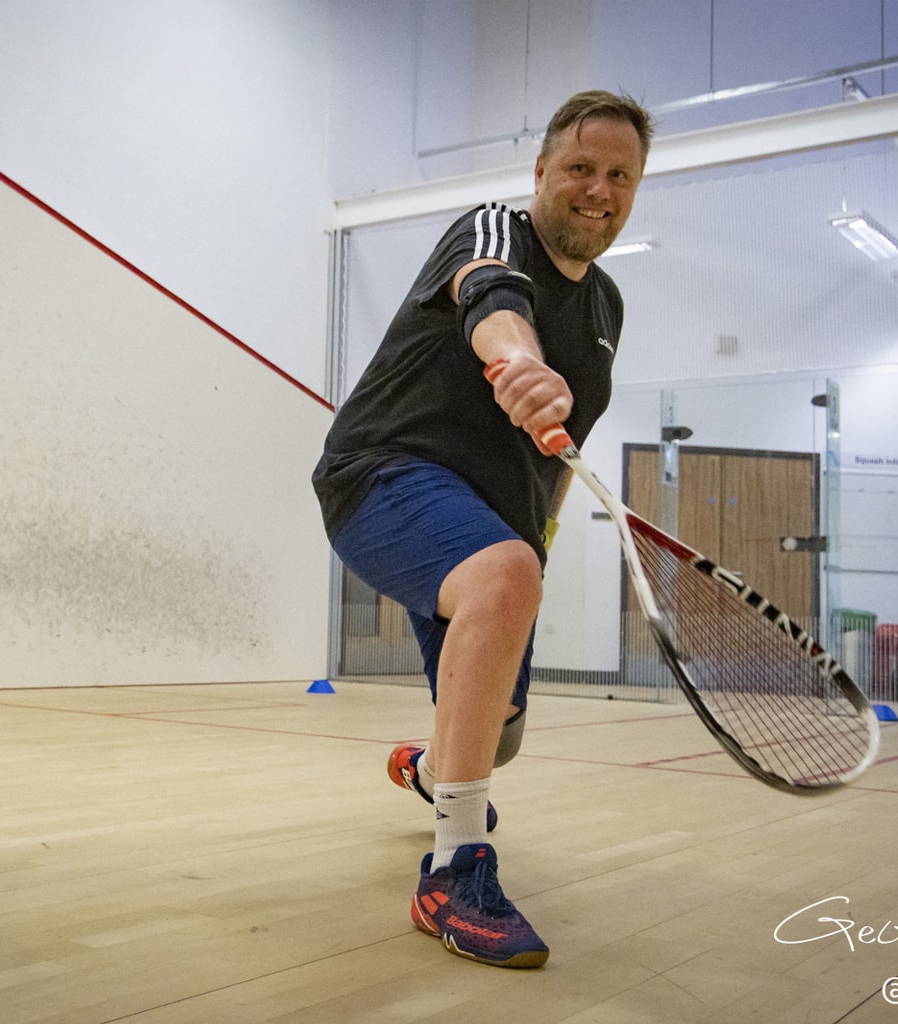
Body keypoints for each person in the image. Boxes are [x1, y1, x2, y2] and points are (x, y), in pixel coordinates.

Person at [312, 90, 655, 968]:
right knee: (505, 576)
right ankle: (454, 867)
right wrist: (520, 359)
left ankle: (432, 769)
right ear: (542, 172)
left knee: (496, 733)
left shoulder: (609, 308)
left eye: (620, 175)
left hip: (495, 528)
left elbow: (554, 460)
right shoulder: (496, 229)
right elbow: (492, 302)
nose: (598, 190)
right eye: (580, 168)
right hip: (381, 474)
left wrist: (535, 548)